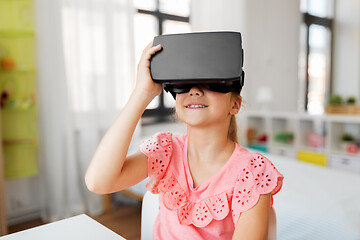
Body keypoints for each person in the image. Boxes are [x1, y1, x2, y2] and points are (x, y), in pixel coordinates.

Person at [85, 41, 284, 240]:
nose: (195, 90)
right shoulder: (166, 150)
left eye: (211, 82)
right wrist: (141, 94)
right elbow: (98, 182)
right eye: (184, 83)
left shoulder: (252, 172)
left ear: (235, 104)